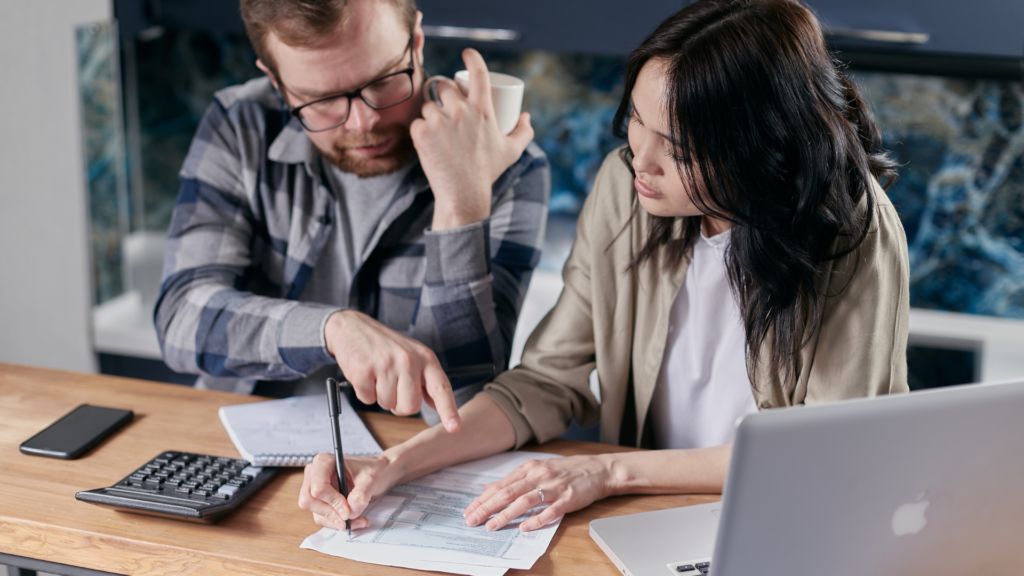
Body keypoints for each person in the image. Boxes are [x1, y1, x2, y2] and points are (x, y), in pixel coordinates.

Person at [298, 0, 910, 534]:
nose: (638, 159)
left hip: (782, 521)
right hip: (646, 517)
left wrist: (609, 469)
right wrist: (395, 463)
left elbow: (826, 453)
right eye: (638, 120)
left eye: (678, 148)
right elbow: (544, 382)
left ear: (759, 149)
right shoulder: (625, 189)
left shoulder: (853, 230)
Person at [155, 0, 550, 428]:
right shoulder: (240, 125)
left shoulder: (508, 164)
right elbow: (181, 318)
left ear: (416, 43)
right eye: (320, 100)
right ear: (276, 82)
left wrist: (460, 206)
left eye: (383, 81)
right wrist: (331, 330)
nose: (364, 122)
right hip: (242, 439)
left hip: (409, 457)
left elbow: (463, 405)